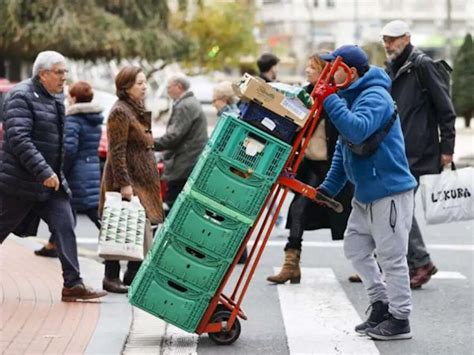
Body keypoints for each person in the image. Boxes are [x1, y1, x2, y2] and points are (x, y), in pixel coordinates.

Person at [315, 45, 417, 340]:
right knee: (356, 248)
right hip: (366, 193)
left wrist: (331, 100)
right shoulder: (352, 95)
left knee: (392, 258)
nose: (329, 75)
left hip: (389, 191)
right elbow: (343, 149)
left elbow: (357, 130)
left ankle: (400, 319)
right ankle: (381, 303)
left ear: (351, 72)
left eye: (333, 69)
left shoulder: (375, 96)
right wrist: (329, 189)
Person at [0, 51, 107, 302]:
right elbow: (19, 139)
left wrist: (55, 175)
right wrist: (44, 171)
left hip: (49, 185)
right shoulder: (21, 96)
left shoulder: (55, 96)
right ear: (43, 73)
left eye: (65, 72)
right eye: (59, 72)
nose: (64, 77)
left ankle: (73, 284)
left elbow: (57, 144)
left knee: (65, 224)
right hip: (20, 183)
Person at [381, 20, 456, 289]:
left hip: (419, 149)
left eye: (393, 39)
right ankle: (411, 262)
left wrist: (447, 148)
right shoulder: (391, 67)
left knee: (398, 207)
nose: (388, 44)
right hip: (398, 147)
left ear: (407, 38)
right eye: (385, 39)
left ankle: (420, 262)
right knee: (397, 207)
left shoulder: (422, 65)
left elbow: (445, 108)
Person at [267, 53, 353, 284]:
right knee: (298, 210)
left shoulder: (337, 97)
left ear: (325, 72)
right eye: (307, 67)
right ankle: (291, 264)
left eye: (312, 68)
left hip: (336, 167)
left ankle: (370, 263)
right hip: (311, 167)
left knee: (353, 218)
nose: (307, 71)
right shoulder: (303, 96)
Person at [99, 65, 164, 292]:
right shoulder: (120, 111)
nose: (144, 87)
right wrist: (124, 183)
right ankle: (111, 276)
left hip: (139, 178)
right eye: (139, 83)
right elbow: (116, 151)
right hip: (127, 179)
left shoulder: (134, 108)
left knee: (137, 224)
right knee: (119, 224)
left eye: (145, 82)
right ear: (126, 87)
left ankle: (133, 274)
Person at [34, 81, 104, 258]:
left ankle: (114, 242)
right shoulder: (94, 119)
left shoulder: (74, 120)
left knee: (81, 209)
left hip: (76, 172)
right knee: (73, 209)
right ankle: (53, 244)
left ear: (73, 98)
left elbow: (70, 150)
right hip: (91, 168)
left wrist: (60, 169)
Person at [154, 73, 208, 211]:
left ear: (179, 86)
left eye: (169, 87)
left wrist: (149, 143)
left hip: (183, 163)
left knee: (171, 205)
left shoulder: (185, 105)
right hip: (188, 161)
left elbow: (173, 136)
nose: (167, 90)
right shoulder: (189, 102)